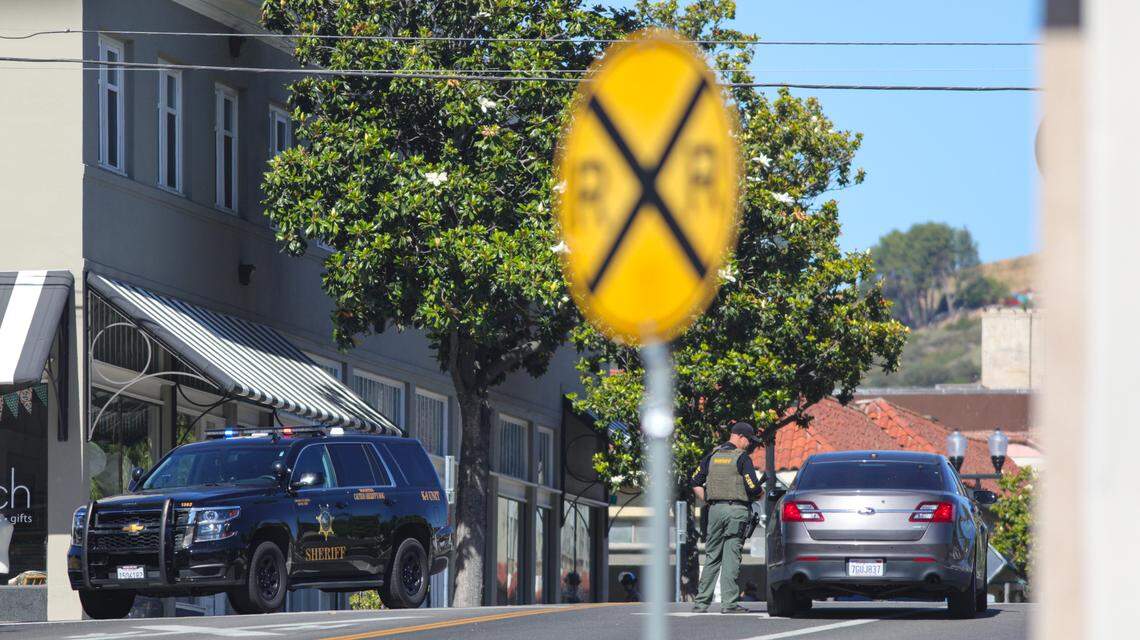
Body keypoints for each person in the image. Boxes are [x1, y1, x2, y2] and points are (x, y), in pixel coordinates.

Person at [690, 421, 764, 613]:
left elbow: (695, 481)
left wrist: (709, 501)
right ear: (740, 437)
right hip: (736, 512)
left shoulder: (712, 456)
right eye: (749, 440)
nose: (750, 445)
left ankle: (701, 603)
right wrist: (760, 493)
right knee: (731, 556)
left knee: (712, 556)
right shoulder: (742, 458)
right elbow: (753, 488)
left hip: (714, 511)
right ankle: (729, 603)